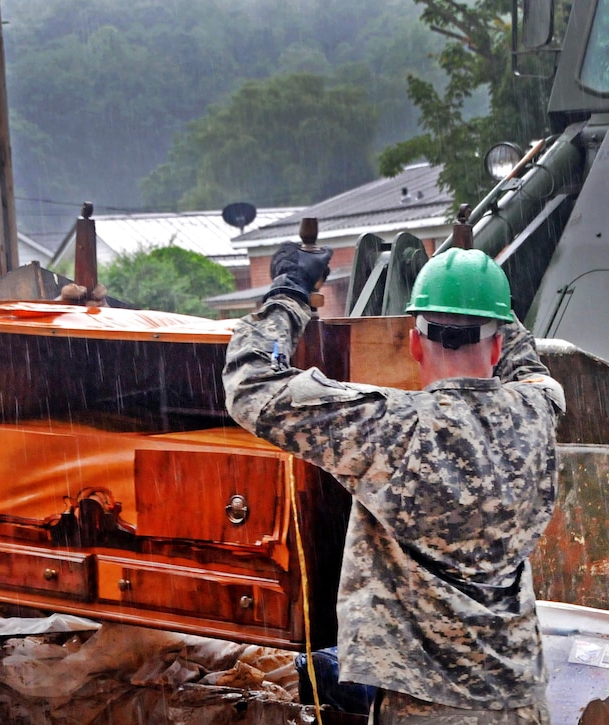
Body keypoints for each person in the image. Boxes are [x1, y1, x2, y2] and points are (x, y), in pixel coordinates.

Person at [223, 244, 565, 724]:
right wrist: (483, 293)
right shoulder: (539, 411)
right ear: (496, 346)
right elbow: (529, 369)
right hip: (521, 703)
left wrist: (290, 294)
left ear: (414, 344)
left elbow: (253, 386)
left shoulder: (390, 426)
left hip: (428, 709)